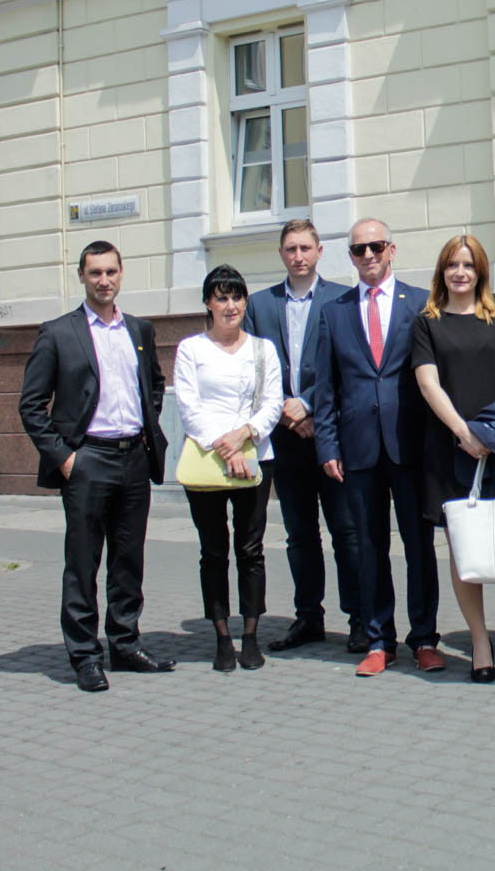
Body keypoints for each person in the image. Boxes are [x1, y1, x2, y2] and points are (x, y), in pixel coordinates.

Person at [18, 240, 175, 692]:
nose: (104, 281)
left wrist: (146, 427)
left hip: (134, 459)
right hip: (88, 460)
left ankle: (125, 644)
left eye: (110, 272)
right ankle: (85, 655)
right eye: (95, 273)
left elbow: (155, 384)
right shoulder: (58, 333)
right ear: (82, 277)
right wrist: (66, 458)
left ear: (121, 274)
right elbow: (31, 405)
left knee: (128, 561)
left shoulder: (139, 330)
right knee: (83, 563)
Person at [311, 218, 444, 677]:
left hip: (410, 446)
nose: (368, 255)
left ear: (392, 249)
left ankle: (424, 639)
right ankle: (378, 640)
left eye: (376, 247)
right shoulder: (334, 311)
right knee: (368, 548)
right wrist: (326, 445)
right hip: (358, 448)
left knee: (419, 546)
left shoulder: (421, 304)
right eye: (358, 249)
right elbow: (325, 386)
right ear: (350, 256)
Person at [410, 234, 495, 683]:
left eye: (468, 265)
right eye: (452, 265)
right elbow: (428, 384)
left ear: (481, 271)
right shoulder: (427, 323)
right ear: (441, 272)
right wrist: (464, 433)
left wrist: (494, 433)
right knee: (464, 548)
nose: (460, 272)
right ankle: (480, 641)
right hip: (449, 450)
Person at [245, 220, 365, 654]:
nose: (298, 256)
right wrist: (286, 411)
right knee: (299, 534)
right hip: (284, 437)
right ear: (281, 253)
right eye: (291, 249)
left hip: (331, 435)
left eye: (305, 248)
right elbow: (251, 369)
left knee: (346, 532)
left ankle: (359, 619)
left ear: (319, 252)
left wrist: (310, 405)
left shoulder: (343, 298)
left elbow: (351, 365)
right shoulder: (260, 305)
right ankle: (308, 617)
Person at [173, 265, 285, 672]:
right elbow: (188, 405)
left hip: (255, 455)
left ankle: (250, 635)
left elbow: (273, 402)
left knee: (251, 550)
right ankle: (222, 637)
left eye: (236, 297)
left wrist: (243, 437)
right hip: (207, 459)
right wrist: (225, 446)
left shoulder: (262, 349)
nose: (230, 305)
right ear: (208, 303)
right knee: (213, 551)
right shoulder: (191, 349)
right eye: (221, 297)